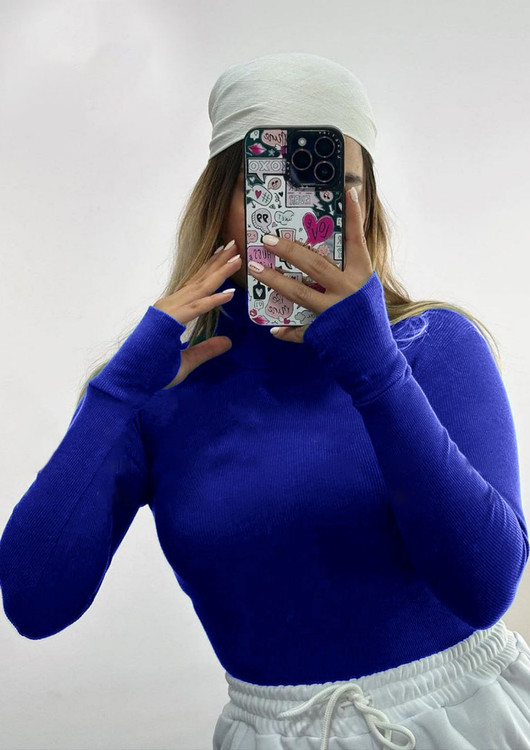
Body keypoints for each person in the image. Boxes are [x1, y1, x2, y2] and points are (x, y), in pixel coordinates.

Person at [1, 51, 529, 750]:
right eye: (273, 183)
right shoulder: (162, 386)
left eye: (338, 182)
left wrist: (375, 370)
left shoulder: (433, 346)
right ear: (221, 201)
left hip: (458, 726)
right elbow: (34, 603)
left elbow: (486, 589)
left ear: (367, 205)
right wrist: (117, 392)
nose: (304, 212)